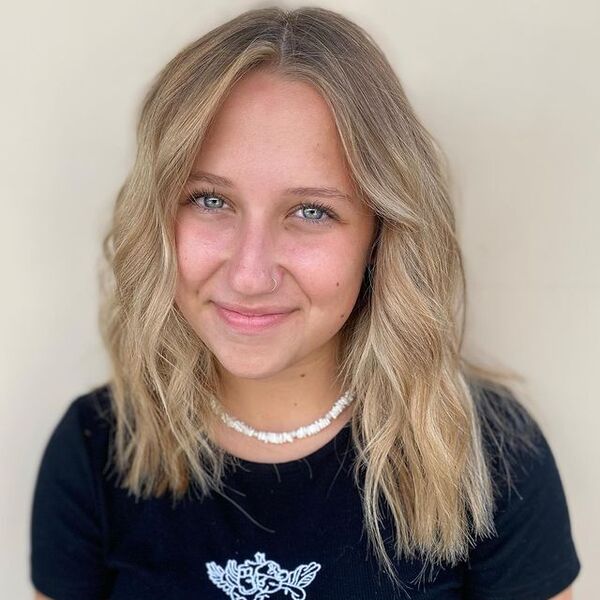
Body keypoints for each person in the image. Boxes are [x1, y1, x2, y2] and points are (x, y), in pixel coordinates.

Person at [29, 6, 581, 600]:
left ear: (381, 234)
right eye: (210, 200)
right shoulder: (95, 449)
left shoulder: (490, 455)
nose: (248, 273)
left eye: (311, 211)